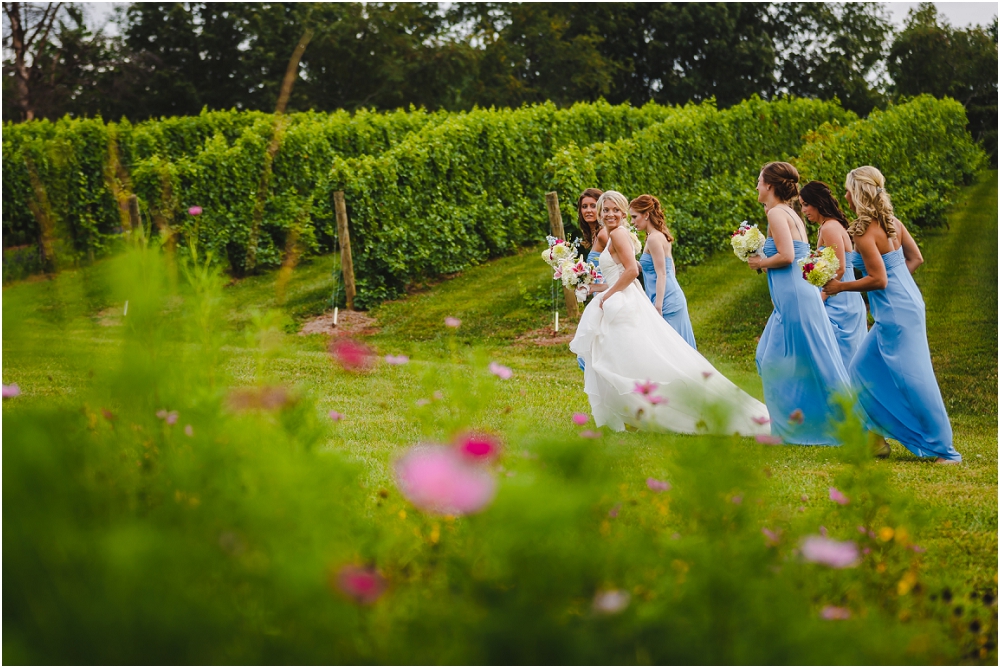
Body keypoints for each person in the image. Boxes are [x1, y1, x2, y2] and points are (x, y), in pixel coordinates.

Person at [570, 190, 770, 435]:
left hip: (622, 303)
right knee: (626, 359)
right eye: (606, 210)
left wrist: (607, 296)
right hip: (620, 298)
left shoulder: (619, 234)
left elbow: (632, 271)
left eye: (615, 210)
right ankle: (634, 413)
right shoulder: (612, 236)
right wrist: (592, 287)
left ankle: (653, 410)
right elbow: (618, 276)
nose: (610, 214)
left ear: (623, 213)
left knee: (635, 359)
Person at [823, 167, 960, 463]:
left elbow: (879, 279)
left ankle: (943, 449)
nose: (845, 195)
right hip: (905, 303)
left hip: (898, 312)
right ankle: (876, 441)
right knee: (860, 368)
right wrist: (898, 286)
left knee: (914, 378)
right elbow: (915, 258)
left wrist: (841, 286)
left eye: (847, 190)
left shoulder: (863, 230)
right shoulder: (891, 222)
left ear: (857, 193)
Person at [748, 162, 851, 445]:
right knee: (778, 359)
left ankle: (794, 430)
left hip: (795, 298)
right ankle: (795, 425)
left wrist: (759, 261)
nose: (756, 186)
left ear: (769, 186)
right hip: (792, 297)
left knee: (792, 362)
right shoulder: (789, 213)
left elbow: (787, 257)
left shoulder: (777, 215)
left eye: (759, 181)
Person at [799, 181, 867, 367]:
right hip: (838, 299)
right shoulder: (826, 226)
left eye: (806, 204)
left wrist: (820, 298)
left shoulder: (830, 228)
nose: (804, 210)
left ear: (818, 202)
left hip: (841, 303)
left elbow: (840, 268)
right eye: (801, 205)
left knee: (839, 361)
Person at [632, 194, 697, 349]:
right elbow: (668, 267)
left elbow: (662, 273)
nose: (632, 222)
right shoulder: (657, 235)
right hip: (670, 293)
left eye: (634, 217)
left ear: (646, 215)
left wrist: (658, 305)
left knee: (672, 349)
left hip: (666, 300)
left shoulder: (654, 238)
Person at [577, 188, 607, 266]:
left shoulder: (603, 233)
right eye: (584, 206)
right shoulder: (594, 234)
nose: (588, 210)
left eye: (593, 206)